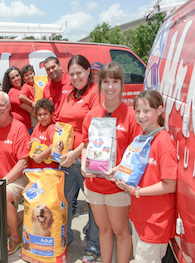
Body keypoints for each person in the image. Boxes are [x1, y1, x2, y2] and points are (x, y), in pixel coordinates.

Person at [80, 62, 142, 263]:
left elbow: (137, 154)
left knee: (121, 231)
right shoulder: (91, 115)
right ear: (100, 84)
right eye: (106, 81)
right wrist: (83, 165)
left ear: (122, 85)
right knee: (104, 229)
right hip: (94, 185)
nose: (110, 87)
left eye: (115, 81)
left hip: (117, 187)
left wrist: (119, 169)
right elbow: (85, 145)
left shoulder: (131, 116)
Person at [115, 90, 177, 263]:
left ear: (159, 110)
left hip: (154, 222)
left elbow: (169, 185)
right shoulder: (143, 136)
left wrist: (136, 191)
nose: (141, 116)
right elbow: (136, 167)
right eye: (138, 111)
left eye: (146, 111)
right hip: (139, 216)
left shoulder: (164, 142)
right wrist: (118, 170)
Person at [55, 55, 101, 263]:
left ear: (88, 71)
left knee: (93, 204)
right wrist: (58, 128)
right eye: (71, 74)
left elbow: (97, 132)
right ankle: (66, 238)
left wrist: (75, 154)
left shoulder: (95, 94)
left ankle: (93, 246)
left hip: (86, 159)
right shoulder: (70, 94)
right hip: (66, 160)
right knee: (62, 202)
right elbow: (63, 120)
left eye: (79, 73)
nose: (75, 77)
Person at [0, 91, 30, 255]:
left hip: (19, 177)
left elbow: (23, 162)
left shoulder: (19, 128)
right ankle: (25, 215)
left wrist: (3, 181)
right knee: (0, 223)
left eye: (1, 105)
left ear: (9, 106)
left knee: (2, 195)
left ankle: (16, 237)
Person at [27, 98, 58, 169]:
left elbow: (54, 145)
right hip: (37, 169)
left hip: (49, 170)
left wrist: (40, 157)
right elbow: (32, 137)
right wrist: (33, 140)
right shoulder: (39, 125)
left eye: (45, 114)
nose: (42, 117)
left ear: (52, 114)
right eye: (39, 115)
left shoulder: (52, 128)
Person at [2, 67, 33, 132]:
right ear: (10, 81)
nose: (16, 79)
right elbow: (31, 110)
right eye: (13, 78)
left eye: (17, 75)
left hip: (28, 127)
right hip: (23, 128)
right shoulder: (13, 92)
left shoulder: (25, 89)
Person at [43, 56, 72, 122]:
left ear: (60, 66)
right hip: (53, 124)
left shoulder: (72, 82)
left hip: (69, 124)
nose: (51, 71)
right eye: (48, 69)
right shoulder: (47, 88)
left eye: (53, 67)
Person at [19, 65, 37, 129]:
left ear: (34, 73)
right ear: (23, 78)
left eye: (30, 73)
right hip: (35, 111)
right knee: (36, 127)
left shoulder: (39, 82)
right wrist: (32, 103)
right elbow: (21, 96)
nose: (29, 76)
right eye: (26, 75)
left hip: (44, 108)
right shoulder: (26, 86)